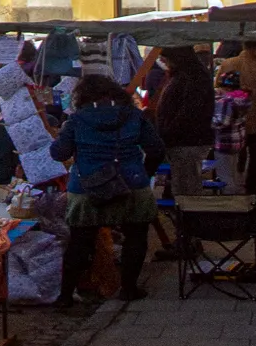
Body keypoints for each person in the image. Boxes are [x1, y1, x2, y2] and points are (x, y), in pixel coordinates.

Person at [49, 73, 167, 307]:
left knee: (80, 242)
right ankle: (129, 289)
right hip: (132, 183)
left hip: (86, 187)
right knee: (136, 236)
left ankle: (65, 297)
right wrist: (144, 173)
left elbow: (58, 153)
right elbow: (156, 149)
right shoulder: (134, 116)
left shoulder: (77, 120)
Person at [154, 46, 216, 200]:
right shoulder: (188, 74)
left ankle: (189, 217)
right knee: (184, 185)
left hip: (187, 141)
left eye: (166, 58)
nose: (164, 62)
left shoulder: (193, 77)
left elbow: (189, 111)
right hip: (184, 140)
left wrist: (169, 131)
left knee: (186, 188)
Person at [218, 41, 256, 195]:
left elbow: (218, 86)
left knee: (236, 153)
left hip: (232, 117)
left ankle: (236, 181)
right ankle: (251, 187)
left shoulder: (227, 63)